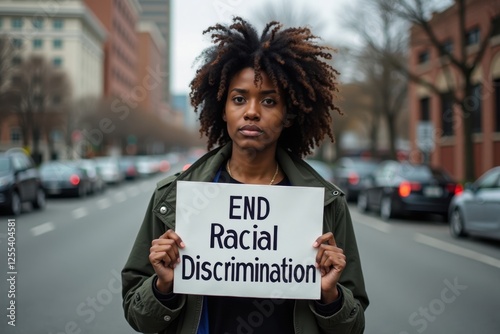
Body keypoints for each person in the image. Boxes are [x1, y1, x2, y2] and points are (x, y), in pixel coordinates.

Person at [122, 17, 369, 334]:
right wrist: (162, 286)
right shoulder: (173, 198)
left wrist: (331, 296)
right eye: (239, 99)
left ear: (289, 114)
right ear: (223, 109)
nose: (252, 111)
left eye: (269, 100)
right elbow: (137, 313)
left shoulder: (325, 205)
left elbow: (354, 325)